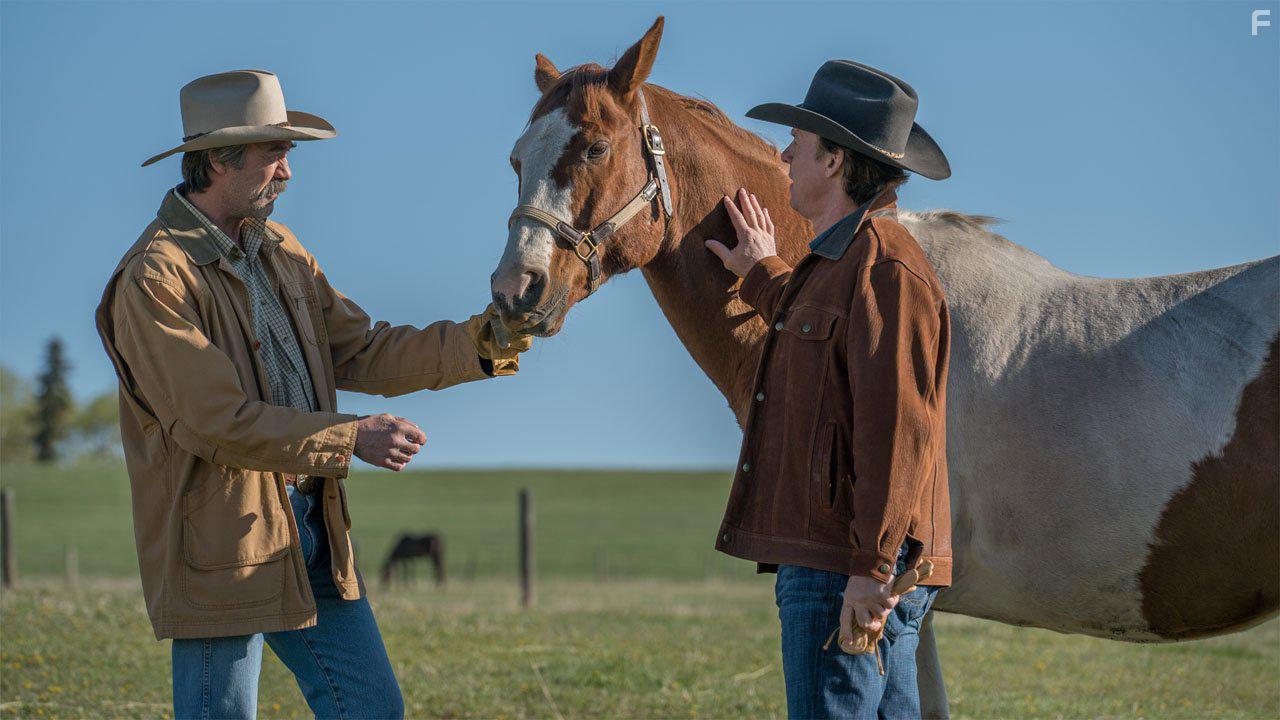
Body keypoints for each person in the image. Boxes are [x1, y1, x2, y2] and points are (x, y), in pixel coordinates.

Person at [94, 69, 531, 719]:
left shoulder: (282, 251)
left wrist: (484, 341)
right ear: (218, 158)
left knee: (372, 708)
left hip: (312, 527)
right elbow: (216, 422)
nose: (289, 172)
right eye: (276, 152)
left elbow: (360, 348)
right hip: (219, 545)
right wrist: (350, 437)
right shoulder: (153, 279)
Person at [704, 60, 953, 718]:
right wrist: (761, 273)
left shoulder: (886, 268)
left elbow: (900, 428)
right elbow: (829, 336)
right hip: (844, 559)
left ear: (836, 162)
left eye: (801, 143)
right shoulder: (849, 262)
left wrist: (870, 570)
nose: (784, 154)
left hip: (842, 563)